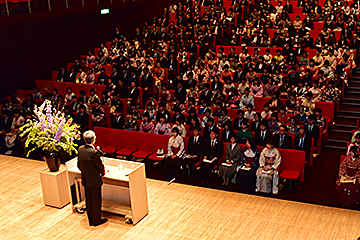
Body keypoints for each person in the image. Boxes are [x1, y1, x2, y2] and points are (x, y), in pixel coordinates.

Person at [77, 130, 108, 226]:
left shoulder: (80, 149)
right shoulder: (94, 152)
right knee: (95, 200)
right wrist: (103, 172)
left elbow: (79, 165)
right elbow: (99, 166)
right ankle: (96, 220)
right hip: (94, 180)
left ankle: (90, 219)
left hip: (85, 178)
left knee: (89, 199)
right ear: (93, 140)